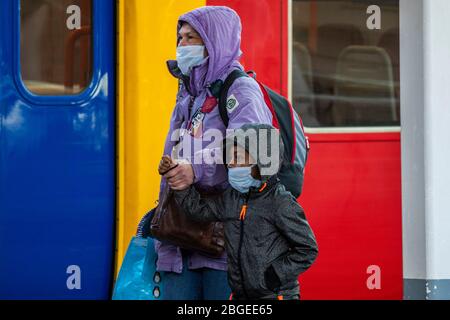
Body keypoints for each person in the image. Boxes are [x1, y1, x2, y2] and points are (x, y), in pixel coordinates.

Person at [154, 6, 273, 300]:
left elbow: (256, 160)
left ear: (214, 40)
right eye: (179, 38)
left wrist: (196, 170)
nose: (182, 45)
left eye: (191, 37)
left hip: (225, 246)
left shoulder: (241, 91)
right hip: (181, 236)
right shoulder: (189, 93)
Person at [161, 124, 319, 300]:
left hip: (276, 296)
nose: (231, 164)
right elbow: (199, 211)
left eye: (237, 157)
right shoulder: (232, 197)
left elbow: (307, 248)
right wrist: (181, 187)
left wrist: (275, 274)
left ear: (262, 160)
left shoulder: (280, 202)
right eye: (229, 159)